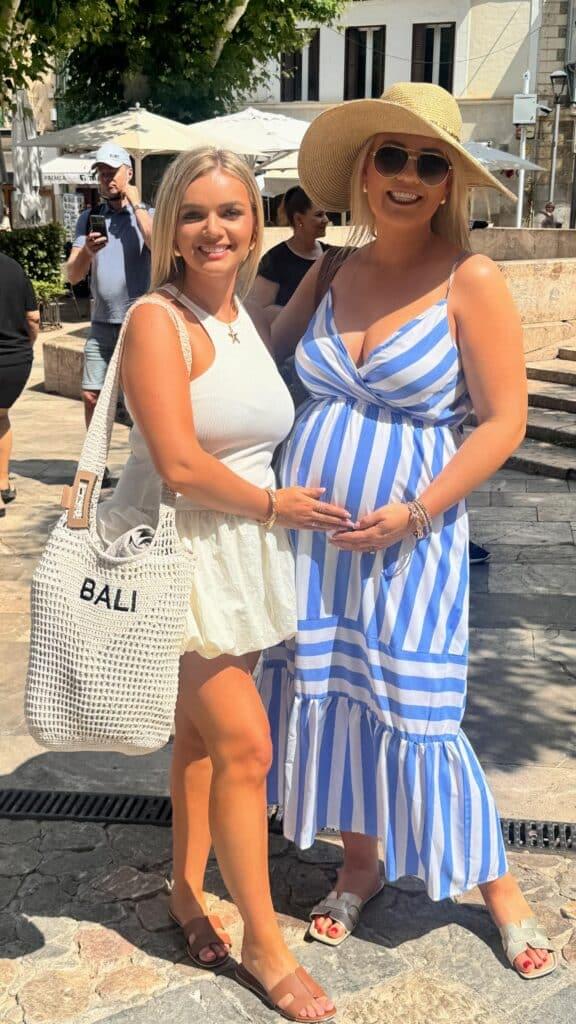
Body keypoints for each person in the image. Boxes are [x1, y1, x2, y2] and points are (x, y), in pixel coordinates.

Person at [258, 82, 557, 981]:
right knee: (339, 698)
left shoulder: (472, 279)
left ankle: (498, 888)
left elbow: (503, 422)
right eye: (391, 156)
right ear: (363, 169)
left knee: (417, 711)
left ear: (448, 185)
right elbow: (265, 364)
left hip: (411, 543)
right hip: (313, 547)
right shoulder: (332, 269)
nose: (407, 177)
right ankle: (360, 863)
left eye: (430, 164)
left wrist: (417, 510)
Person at [97, 148, 345, 1021]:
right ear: (168, 226)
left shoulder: (239, 315)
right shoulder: (158, 323)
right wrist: (278, 506)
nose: (214, 229)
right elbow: (176, 462)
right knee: (247, 747)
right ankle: (264, 945)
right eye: (195, 213)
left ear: (256, 222)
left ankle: (183, 893)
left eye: (231, 212)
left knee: (202, 745)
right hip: (180, 556)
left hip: (234, 556)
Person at [66, 143, 153, 476]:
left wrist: (136, 203)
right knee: (91, 396)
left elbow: (160, 247)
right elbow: (73, 275)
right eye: (100, 173)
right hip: (101, 325)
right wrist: (87, 251)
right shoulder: (89, 219)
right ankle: (96, 465)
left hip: (139, 324)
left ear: (128, 173)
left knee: (140, 404)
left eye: (111, 172)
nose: (105, 179)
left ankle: (143, 465)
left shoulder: (147, 214)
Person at [0, 252, 40, 517]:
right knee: (1, 416)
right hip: (15, 361)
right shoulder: (13, 267)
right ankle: (2, 480)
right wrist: (28, 344)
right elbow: (33, 318)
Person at [252, 187, 329, 318]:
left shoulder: (331, 255)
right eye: (319, 215)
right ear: (299, 219)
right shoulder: (275, 260)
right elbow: (258, 310)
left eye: (325, 214)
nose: (326, 220)